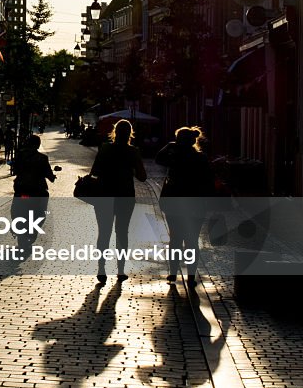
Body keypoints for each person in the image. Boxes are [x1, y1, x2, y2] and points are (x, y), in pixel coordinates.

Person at [155, 126, 215, 287]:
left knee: (175, 239)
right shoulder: (200, 158)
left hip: (174, 203)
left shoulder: (174, 158)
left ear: (178, 141)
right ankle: (191, 276)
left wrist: (169, 145)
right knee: (192, 241)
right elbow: (209, 181)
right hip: (196, 204)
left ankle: (173, 273)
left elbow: (158, 158)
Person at [89, 119, 147, 285]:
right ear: (130, 134)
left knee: (104, 232)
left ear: (114, 132)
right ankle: (120, 270)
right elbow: (143, 177)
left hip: (104, 195)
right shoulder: (133, 151)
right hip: (125, 196)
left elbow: (95, 171)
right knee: (122, 232)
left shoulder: (105, 148)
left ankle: (101, 269)